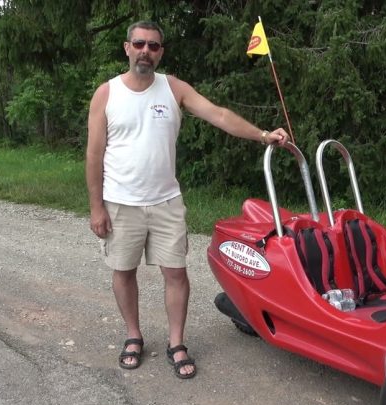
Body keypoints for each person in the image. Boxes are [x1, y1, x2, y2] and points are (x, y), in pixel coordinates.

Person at [85, 20, 290, 379]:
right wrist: (96, 207)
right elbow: (93, 154)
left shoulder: (173, 88)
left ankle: (176, 343)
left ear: (160, 52)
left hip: (166, 201)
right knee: (123, 271)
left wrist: (262, 135)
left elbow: (219, 115)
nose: (146, 51)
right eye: (139, 44)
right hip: (120, 203)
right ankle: (133, 336)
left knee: (176, 273)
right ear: (127, 48)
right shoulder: (107, 93)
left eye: (153, 46)